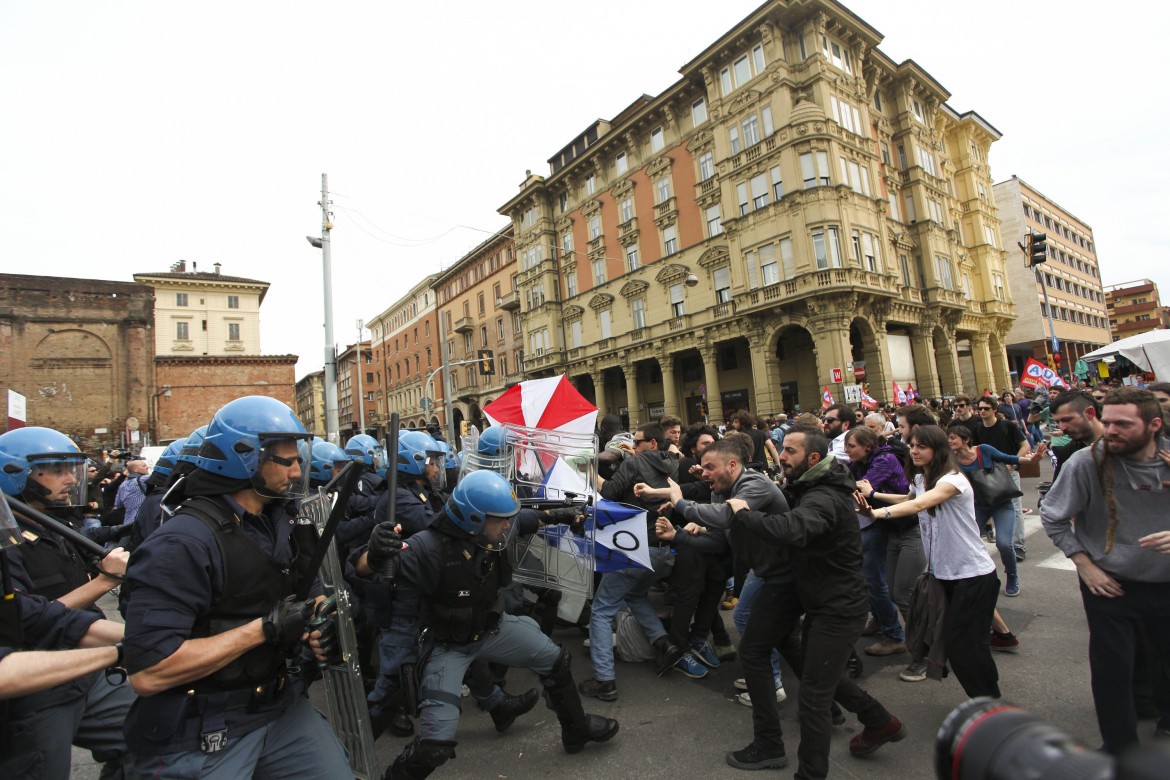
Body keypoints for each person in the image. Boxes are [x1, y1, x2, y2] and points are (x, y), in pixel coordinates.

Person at [121, 395, 351, 777]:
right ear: (245, 456)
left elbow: (307, 595)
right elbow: (149, 672)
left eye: (299, 459)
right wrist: (264, 629)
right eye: (288, 460)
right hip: (205, 727)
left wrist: (320, 620)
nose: (297, 472)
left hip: (280, 707)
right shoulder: (183, 542)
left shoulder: (280, 522)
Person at [357, 471, 619, 779]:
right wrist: (374, 555)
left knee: (555, 660)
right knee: (435, 745)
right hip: (447, 647)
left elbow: (526, 520)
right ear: (473, 518)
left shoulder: (491, 531)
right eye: (501, 520)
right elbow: (364, 568)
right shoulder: (427, 547)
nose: (508, 525)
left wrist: (563, 514)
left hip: (493, 629)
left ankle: (576, 730)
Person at [726, 425, 905, 777]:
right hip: (816, 595)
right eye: (782, 448)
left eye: (790, 451)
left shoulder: (823, 497)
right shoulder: (810, 485)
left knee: (813, 697)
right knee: (822, 677)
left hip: (838, 607)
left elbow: (794, 528)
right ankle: (880, 722)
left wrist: (744, 513)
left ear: (811, 458)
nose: (782, 455)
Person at [1040, 387, 1170, 754]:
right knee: (1112, 672)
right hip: (1110, 587)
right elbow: (1053, 516)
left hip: (1165, 584)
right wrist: (1084, 564)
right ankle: (1119, 748)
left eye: (1123, 424)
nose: (1110, 431)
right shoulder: (1085, 462)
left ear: (1153, 424)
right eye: (1107, 422)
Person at [0, 426, 134, 780]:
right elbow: (25, 617)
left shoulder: (52, 527)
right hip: (37, 682)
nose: (67, 478)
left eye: (68, 469)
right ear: (16, 473)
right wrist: (106, 583)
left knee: (148, 734)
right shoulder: (7, 538)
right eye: (55, 469)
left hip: (84, 666)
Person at [858, 425, 1001, 698]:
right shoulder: (921, 480)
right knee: (958, 642)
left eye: (921, 446)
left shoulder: (953, 479)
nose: (914, 451)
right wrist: (873, 496)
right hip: (943, 575)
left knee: (965, 645)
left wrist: (878, 514)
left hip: (972, 574)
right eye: (911, 446)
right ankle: (985, 697)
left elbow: (919, 505)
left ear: (939, 450)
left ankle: (987, 700)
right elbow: (909, 498)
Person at [581, 423, 681, 700]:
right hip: (664, 550)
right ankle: (662, 642)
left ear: (651, 443)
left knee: (601, 611)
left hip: (637, 547)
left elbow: (611, 492)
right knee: (636, 595)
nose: (632, 446)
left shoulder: (635, 463)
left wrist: (590, 471)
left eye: (636, 442)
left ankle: (604, 679)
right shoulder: (673, 462)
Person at [947, 425, 1046, 597]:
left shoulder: (984, 450)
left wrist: (1031, 460)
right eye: (949, 438)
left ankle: (1012, 576)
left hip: (1001, 502)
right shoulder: (950, 459)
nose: (950, 441)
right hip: (977, 506)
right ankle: (972, 578)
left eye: (953, 437)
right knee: (966, 543)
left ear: (966, 439)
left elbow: (1009, 458)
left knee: (1004, 543)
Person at [844, 427, 909, 657]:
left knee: (878, 583)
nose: (846, 450)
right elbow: (845, 479)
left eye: (851, 446)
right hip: (880, 522)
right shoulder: (860, 462)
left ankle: (895, 635)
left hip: (898, 525)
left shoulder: (885, 459)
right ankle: (881, 621)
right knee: (869, 579)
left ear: (867, 446)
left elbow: (858, 488)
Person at [971, 396, 1031, 560]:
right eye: (980, 409)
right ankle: (994, 541)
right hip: (986, 475)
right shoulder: (977, 429)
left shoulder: (1007, 426)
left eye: (986, 409)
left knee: (1015, 508)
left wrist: (1012, 464)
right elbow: (975, 450)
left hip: (1008, 472)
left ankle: (1018, 546)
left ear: (994, 410)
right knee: (987, 508)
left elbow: (1025, 446)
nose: (982, 411)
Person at [113, 455, 151, 527]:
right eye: (144, 466)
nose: (147, 467)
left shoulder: (123, 485)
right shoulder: (143, 479)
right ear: (136, 470)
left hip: (128, 523)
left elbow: (118, 504)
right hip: (143, 522)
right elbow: (158, 475)